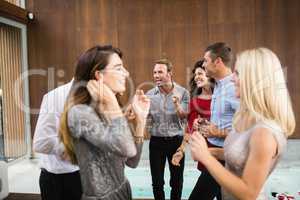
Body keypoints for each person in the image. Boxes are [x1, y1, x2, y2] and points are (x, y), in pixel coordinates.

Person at [190, 47, 295, 200]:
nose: (232, 78)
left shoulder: (264, 133)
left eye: (237, 73)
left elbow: (249, 194)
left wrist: (206, 157)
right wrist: (209, 152)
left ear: (256, 80)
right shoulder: (248, 118)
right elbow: (239, 154)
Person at [59, 45, 150, 200]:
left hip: (123, 191)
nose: (126, 73)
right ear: (99, 75)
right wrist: (113, 106)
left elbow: (132, 161)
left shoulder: (108, 111)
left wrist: (141, 121)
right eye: (119, 68)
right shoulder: (80, 112)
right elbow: (128, 149)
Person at [171, 60, 216, 200]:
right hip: (206, 153)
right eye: (195, 74)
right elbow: (189, 129)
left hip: (223, 154)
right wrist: (181, 151)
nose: (196, 77)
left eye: (200, 73)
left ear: (209, 75)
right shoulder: (195, 101)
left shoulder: (221, 96)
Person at [146, 58, 189, 200]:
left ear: (169, 73)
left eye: (160, 72)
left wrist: (177, 105)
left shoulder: (183, 93)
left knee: (176, 182)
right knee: (157, 183)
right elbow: (144, 117)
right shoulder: (149, 95)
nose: (156, 75)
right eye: (154, 72)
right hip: (156, 143)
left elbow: (185, 118)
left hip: (176, 142)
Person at [33, 79, 82, 200]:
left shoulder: (97, 97)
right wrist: (76, 152)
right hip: (62, 179)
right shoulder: (56, 96)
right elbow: (41, 143)